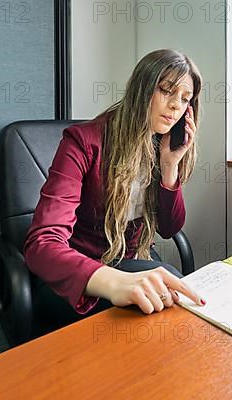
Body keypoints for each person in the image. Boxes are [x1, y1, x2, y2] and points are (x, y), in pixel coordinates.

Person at [23, 49, 205, 321]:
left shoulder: (160, 146)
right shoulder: (83, 142)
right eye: (167, 91)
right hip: (80, 275)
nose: (176, 105)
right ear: (142, 89)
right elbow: (42, 244)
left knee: (176, 306)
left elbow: (169, 228)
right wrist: (114, 282)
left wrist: (170, 166)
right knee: (154, 315)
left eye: (184, 99)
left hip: (130, 261)